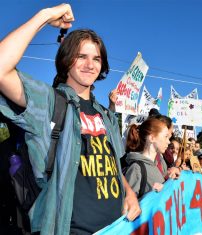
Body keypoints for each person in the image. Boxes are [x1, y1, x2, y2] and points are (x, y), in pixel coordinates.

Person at [0, 4, 140, 234]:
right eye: (81, 56)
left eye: (96, 58)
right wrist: (44, 16)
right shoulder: (50, 103)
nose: (90, 64)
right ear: (67, 59)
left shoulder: (107, 116)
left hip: (116, 228)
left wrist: (129, 192)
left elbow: (113, 166)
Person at [124, 118, 170, 198]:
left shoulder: (159, 164)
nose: (168, 141)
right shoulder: (136, 168)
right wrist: (151, 194)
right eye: (166, 136)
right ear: (152, 138)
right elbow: (128, 206)